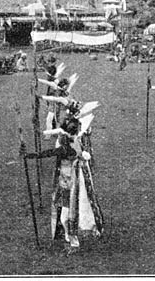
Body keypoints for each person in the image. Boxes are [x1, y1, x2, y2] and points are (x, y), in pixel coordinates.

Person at [21, 101, 103, 252]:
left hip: (70, 183)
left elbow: (47, 154)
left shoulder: (67, 148)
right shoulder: (76, 141)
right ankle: (70, 237)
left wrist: (28, 155)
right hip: (71, 182)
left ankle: (72, 240)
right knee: (69, 211)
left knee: (67, 214)